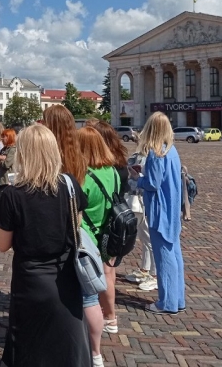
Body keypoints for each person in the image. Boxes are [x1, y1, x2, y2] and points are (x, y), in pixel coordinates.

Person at [0, 124, 91, 367]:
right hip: (65, 273)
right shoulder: (69, 185)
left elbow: (2, 244)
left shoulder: (13, 194)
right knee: (65, 341)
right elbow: (76, 224)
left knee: (29, 342)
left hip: (31, 278)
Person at [132, 112, 186, 314]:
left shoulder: (156, 153)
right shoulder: (171, 150)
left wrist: (137, 178)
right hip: (172, 209)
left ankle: (167, 302)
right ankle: (178, 299)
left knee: (164, 257)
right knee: (174, 254)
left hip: (159, 210)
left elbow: (152, 184)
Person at [76, 126, 120, 366]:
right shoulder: (112, 171)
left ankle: (92, 348)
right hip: (108, 233)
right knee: (108, 275)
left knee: (88, 294)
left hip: (88, 239)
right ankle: (111, 317)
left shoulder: (85, 176)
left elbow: (78, 210)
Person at [86, 120, 133, 330]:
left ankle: (110, 316)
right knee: (110, 271)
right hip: (113, 223)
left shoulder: (101, 169)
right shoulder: (118, 165)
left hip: (100, 227)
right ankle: (108, 314)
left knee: (104, 273)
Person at [124, 152, 157, 291]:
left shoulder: (153, 156)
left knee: (150, 238)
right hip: (137, 199)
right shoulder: (139, 154)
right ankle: (145, 269)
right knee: (144, 237)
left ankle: (155, 275)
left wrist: (135, 177)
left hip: (143, 200)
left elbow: (150, 181)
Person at [42, 105, 87, 192]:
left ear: (51, 126)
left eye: (44, 122)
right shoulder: (80, 156)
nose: (42, 125)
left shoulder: (48, 157)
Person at [0, 128, 17, 208]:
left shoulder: (13, 149)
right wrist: (0, 158)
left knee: (5, 201)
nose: (2, 138)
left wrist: (0, 159)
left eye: (4, 136)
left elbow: (7, 164)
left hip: (8, 179)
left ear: (10, 137)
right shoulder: (4, 149)